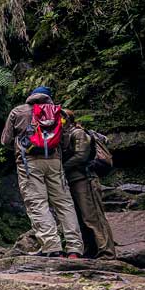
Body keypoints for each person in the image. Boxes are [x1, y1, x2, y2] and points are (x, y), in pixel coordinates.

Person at [0, 86, 84, 258]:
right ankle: (75, 249)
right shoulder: (59, 113)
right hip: (55, 162)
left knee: (38, 203)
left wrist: (22, 146)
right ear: (49, 98)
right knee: (64, 204)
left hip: (28, 162)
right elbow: (66, 141)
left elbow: (5, 140)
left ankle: (52, 246)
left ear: (31, 97)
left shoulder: (18, 112)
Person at [61, 109, 116, 258]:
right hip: (73, 181)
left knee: (93, 217)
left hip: (85, 179)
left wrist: (61, 168)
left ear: (67, 119)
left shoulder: (78, 133)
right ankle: (89, 250)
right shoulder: (62, 135)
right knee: (80, 217)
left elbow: (81, 155)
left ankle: (107, 251)